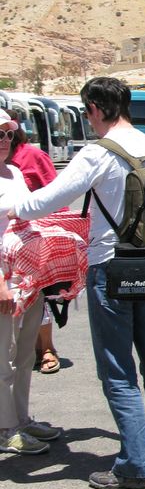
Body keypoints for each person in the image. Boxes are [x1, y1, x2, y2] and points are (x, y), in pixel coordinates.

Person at [8, 79, 145, 489]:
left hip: (111, 268)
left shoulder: (97, 153)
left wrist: (13, 206)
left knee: (118, 371)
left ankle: (136, 466)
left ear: (93, 109)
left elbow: (45, 201)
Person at [0, 109, 60, 454]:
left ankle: (20, 419)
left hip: (27, 277)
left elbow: (30, 219)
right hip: (5, 281)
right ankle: (5, 428)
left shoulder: (14, 173)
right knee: (3, 359)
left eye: (9, 134)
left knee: (24, 356)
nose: (5, 140)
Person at [8, 111, 61, 375]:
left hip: (29, 247)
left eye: (7, 133)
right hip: (6, 257)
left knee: (38, 300)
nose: (4, 139)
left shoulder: (29, 159)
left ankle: (47, 348)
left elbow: (55, 192)